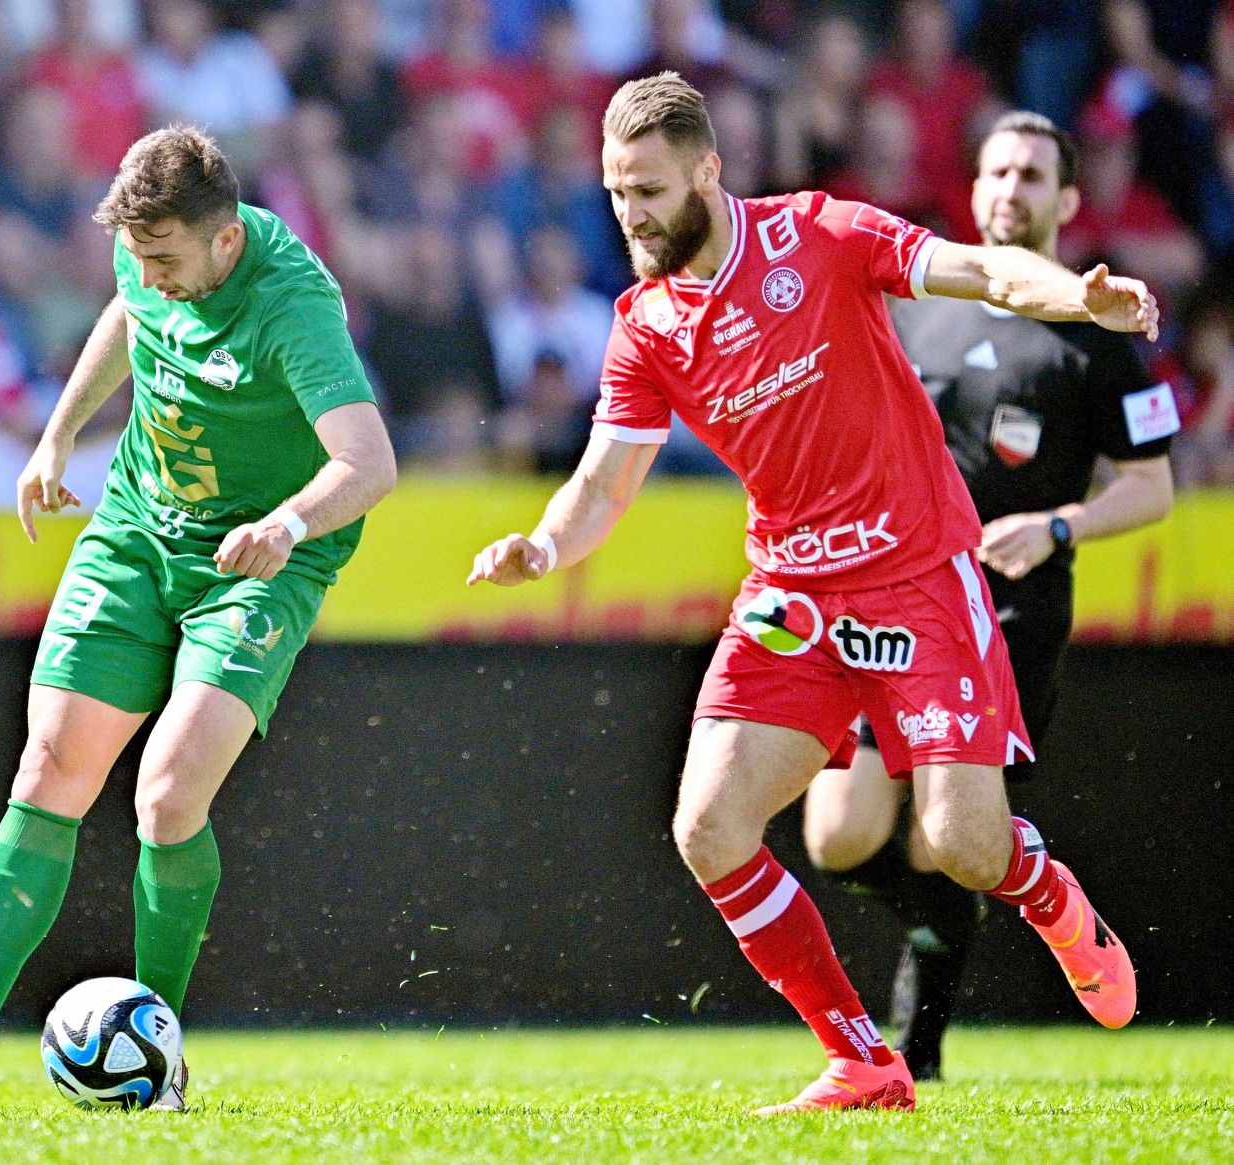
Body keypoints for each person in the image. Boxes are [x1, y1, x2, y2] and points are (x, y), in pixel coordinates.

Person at [469, 73, 1156, 1114]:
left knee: (967, 846)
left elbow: (974, 267)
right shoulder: (647, 326)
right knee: (708, 826)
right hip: (795, 592)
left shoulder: (819, 233)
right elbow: (605, 481)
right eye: (615, 193)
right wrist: (544, 545)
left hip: (919, 570)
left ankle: (1053, 897)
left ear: (708, 168)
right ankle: (862, 1058)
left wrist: (1079, 298)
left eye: (648, 188)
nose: (631, 213)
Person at [0, 125, 396, 1110]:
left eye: (168, 260)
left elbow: (371, 463)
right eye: (137, 257)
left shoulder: (291, 305)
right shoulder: (148, 254)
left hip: (257, 559)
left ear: (225, 244)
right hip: (139, 526)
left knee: (170, 795)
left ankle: (159, 1056)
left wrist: (287, 523)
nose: (151, 276)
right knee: (49, 767)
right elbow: (125, 318)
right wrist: (57, 437)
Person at [801, 111, 1178, 1082]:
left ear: (1066, 200)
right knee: (838, 832)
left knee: (945, 838)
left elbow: (1153, 486)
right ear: (973, 189)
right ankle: (943, 924)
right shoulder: (918, 299)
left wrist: (1056, 525)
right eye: (998, 170)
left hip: (1010, 608)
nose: (1011, 188)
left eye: (1033, 175)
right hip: (890, 592)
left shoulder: (1094, 330)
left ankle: (914, 1051)